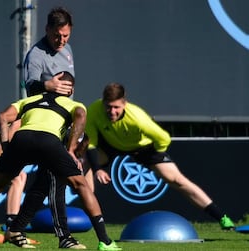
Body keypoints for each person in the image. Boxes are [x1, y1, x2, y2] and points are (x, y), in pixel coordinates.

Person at [0, 72, 122, 251]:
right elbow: (81, 116)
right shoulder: (74, 104)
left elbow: (3, 117)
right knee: (81, 186)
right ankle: (105, 242)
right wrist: (71, 151)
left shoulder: (29, 101)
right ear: (71, 90)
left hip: (21, 140)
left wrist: (6, 147)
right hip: (49, 142)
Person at [84, 82, 235, 230]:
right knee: (85, 166)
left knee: (177, 180)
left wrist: (154, 156)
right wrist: (98, 169)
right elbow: (90, 144)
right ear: (103, 103)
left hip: (142, 147)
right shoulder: (94, 110)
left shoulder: (137, 118)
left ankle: (222, 217)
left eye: (116, 107)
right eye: (108, 107)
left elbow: (164, 138)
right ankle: (89, 216)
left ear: (125, 104)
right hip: (110, 145)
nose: (112, 112)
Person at [19, 7, 93, 248]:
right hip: (44, 126)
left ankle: (15, 229)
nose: (61, 41)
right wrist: (46, 85)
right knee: (56, 180)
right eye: (57, 36)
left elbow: (69, 90)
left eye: (66, 36)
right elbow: (29, 89)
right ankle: (64, 237)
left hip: (64, 126)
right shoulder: (36, 54)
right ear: (47, 30)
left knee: (44, 183)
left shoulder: (67, 50)